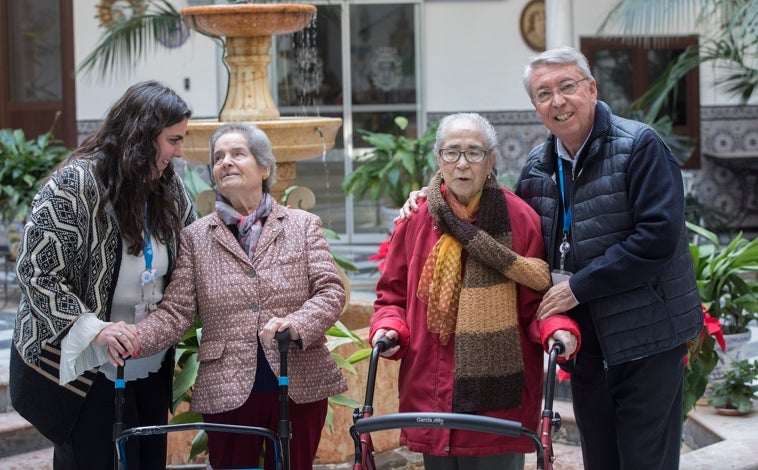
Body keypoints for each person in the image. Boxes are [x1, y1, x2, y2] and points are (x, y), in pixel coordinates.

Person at [401, 47, 704, 469]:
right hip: (585, 342)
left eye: (567, 87)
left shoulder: (639, 146)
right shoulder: (539, 166)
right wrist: (433, 200)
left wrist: (577, 288)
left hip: (646, 339)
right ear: (535, 106)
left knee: (644, 460)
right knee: (599, 459)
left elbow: (658, 238)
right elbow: (504, 227)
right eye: (544, 93)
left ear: (592, 88)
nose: (558, 101)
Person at [102, 122, 348, 470]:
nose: (226, 162)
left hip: (297, 379)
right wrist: (134, 337)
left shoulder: (302, 224)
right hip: (228, 389)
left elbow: (330, 290)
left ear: (264, 167)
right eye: (218, 158)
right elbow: (177, 311)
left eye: (238, 154)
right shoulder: (195, 237)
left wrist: (295, 323)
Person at [370, 112, 580, 470]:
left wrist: (556, 330)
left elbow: (537, 306)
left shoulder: (520, 218)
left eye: (474, 153)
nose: (462, 164)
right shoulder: (417, 219)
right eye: (451, 153)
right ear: (438, 159)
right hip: (430, 390)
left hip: (497, 402)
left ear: (492, 160)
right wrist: (388, 327)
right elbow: (392, 297)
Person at [9, 80, 195, 469]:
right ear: (142, 136)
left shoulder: (169, 188)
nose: (180, 151)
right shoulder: (73, 185)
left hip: (148, 359)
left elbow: (193, 253)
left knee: (147, 461)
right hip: (84, 367)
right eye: (173, 139)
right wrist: (95, 329)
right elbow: (36, 272)